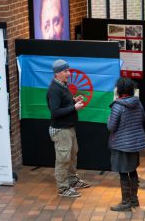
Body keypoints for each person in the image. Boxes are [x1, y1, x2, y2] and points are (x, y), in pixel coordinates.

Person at [46, 59, 91, 198]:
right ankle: (63, 188)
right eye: (65, 71)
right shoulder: (54, 90)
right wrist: (73, 107)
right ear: (57, 73)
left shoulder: (63, 85)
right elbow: (55, 112)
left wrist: (73, 101)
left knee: (72, 155)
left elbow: (63, 104)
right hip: (61, 130)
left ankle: (72, 180)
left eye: (68, 70)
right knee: (63, 159)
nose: (69, 73)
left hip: (69, 128)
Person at [107, 78, 145, 211]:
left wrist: (109, 118)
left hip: (121, 144)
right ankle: (134, 199)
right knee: (132, 170)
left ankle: (126, 202)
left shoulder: (117, 106)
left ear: (119, 90)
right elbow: (142, 118)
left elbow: (111, 127)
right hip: (135, 143)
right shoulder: (138, 103)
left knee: (123, 172)